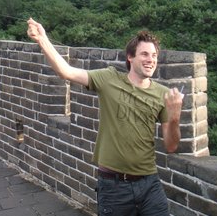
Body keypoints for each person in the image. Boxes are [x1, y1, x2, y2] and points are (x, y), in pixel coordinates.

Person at [27, 17, 183, 216]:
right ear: (130, 57)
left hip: (149, 182)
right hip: (114, 185)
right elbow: (66, 72)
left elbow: (171, 146)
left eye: (154, 55)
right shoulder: (109, 78)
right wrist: (42, 40)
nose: (150, 60)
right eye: (144, 54)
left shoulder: (164, 94)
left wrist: (175, 115)